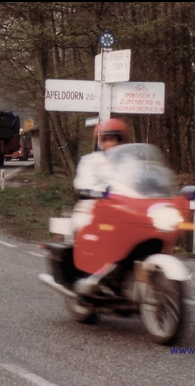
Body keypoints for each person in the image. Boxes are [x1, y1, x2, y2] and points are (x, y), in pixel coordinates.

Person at [70, 118, 130, 295]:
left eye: (115, 138)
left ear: (121, 140)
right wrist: (97, 190)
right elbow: (83, 181)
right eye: (107, 138)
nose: (111, 142)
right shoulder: (90, 161)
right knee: (87, 231)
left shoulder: (128, 162)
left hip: (121, 208)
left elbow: (141, 181)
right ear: (100, 141)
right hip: (92, 205)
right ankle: (88, 276)